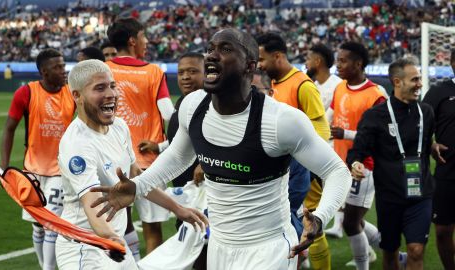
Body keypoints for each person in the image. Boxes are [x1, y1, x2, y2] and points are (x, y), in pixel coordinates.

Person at [91, 28, 352, 270]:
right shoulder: (193, 106)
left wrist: (319, 218)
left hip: (268, 248)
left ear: (250, 66)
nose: (211, 55)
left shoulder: (280, 120)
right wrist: (138, 186)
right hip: (219, 245)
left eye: (225, 49)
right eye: (210, 48)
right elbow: (178, 157)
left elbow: (337, 171)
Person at [55, 59, 206, 269]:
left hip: (114, 243)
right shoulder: (77, 145)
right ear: (77, 96)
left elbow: (138, 180)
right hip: (85, 247)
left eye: (112, 86)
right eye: (100, 88)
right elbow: (91, 204)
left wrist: (178, 209)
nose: (111, 94)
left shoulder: (119, 126)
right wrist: (109, 237)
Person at [347, 57, 435, 270]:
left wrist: (435, 146)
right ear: (397, 82)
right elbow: (358, 150)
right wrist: (356, 163)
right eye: (414, 79)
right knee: (390, 252)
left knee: (416, 250)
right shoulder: (375, 116)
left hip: (420, 196)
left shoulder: (426, 112)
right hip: (390, 197)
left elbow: (425, 143)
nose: (420, 84)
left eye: (420, 79)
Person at [257, 32, 331, 270]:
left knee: (310, 226)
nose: (259, 64)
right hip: (283, 170)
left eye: (262, 59)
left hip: (303, 171)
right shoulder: (277, 84)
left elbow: (321, 128)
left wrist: (306, 163)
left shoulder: (302, 85)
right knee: (291, 226)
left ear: (278, 56)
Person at [0, 48, 75, 270]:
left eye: (64, 66)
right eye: (58, 67)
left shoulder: (72, 93)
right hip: (32, 170)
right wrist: (6, 169)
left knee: (51, 223)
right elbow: (9, 129)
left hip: (60, 171)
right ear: (44, 71)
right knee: (38, 225)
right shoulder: (26, 93)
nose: (64, 71)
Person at [106, 18, 175, 256]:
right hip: (148, 164)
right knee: (152, 228)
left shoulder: (103, 69)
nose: (147, 42)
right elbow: (169, 114)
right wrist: (162, 145)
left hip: (112, 163)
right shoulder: (153, 72)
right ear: (133, 40)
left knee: (116, 225)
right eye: (144, 36)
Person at [137, 52, 207, 270]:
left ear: (207, 74)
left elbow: (224, 140)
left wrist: (205, 163)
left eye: (193, 71)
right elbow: (181, 144)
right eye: (181, 72)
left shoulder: (211, 104)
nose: (185, 77)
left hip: (204, 194)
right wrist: (159, 147)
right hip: (183, 191)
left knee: (202, 249)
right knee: (187, 245)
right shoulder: (183, 104)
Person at [329, 42, 386, 269]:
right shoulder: (340, 87)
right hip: (342, 162)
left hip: (364, 166)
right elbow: (330, 116)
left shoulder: (376, 95)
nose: (338, 64)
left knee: (351, 223)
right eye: (338, 59)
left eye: (343, 60)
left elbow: (379, 136)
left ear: (358, 63)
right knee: (354, 219)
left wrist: (346, 133)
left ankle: (365, 264)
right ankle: (394, 253)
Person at [304, 44, 344, 239]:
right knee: (316, 190)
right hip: (317, 143)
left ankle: (337, 225)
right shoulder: (312, 85)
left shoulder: (337, 85)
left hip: (334, 142)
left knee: (333, 185)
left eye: (309, 58)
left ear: (318, 61)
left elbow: (331, 114)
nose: (306, 62)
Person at [422, 49, 455, 270]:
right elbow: (419, 125)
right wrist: (431, 144)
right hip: (448, 171)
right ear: (452, 62)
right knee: (443, 230)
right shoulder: (439, 91)